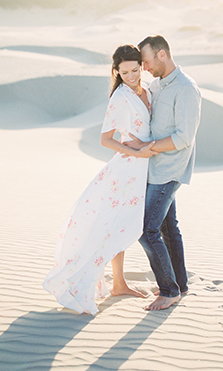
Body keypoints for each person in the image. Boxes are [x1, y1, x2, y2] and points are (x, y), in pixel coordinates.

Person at [43, 45, 157, 315]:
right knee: (114, 225)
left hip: (143, 168)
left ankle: (118, 283)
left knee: (121, 226)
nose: (131, 75)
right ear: (116, 72)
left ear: (141, 66)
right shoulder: (120, 97)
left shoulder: (146, 90)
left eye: (135, 69)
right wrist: (137, 152)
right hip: (127, 171)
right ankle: (111, 282)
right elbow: (106, 139)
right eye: (125, 72)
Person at [124, 35, 201, 311]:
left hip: (169, 171)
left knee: (146, 230)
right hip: (153, 168)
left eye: (145, 62)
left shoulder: (186, 88)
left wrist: (147, 146)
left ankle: (169, 291)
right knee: (169, 229)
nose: (144, 68)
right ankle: (179, 283)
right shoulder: (157, 86)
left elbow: (184, 138)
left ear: (162, 55)